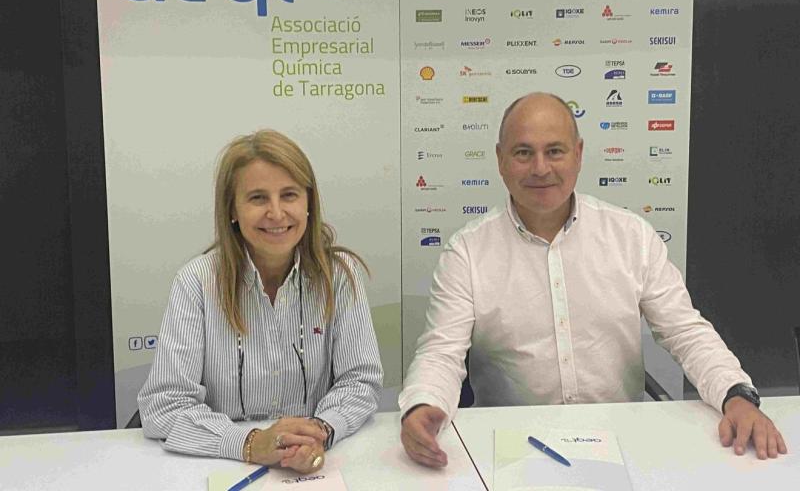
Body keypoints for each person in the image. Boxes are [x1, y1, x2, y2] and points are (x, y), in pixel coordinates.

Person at [399, 92, 787, 467]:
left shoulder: (631, 237)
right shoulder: (467, 252)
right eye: (523, 153)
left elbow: (686, 332)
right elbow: (440, 353)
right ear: (501, 160)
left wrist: (736, 395)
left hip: (621, 438)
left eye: (555, 151)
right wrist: (422, 404)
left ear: (579, 154)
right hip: (511, 445)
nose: (540, 168)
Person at [139, 129, 383, 474]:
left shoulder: (340, 276)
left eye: (289, 195)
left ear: (309, 203)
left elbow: (360, 381)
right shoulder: (196, 282)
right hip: (223, 464)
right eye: (257, 198)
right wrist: (251, 444)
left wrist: (317, 432)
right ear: (232, 210)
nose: (276, 213)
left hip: (313, 464)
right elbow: (164, 406)